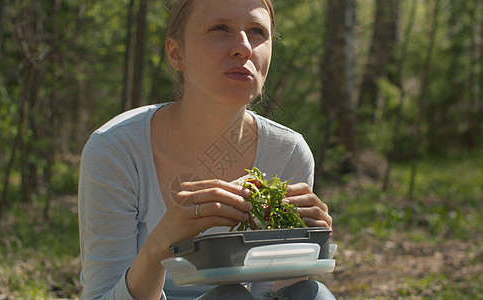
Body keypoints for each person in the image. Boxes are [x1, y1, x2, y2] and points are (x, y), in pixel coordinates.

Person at [77, 0, 335, 299]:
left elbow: (270, 293)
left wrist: (303, 244)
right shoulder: (117, 149)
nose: (243, 47)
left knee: (311, 294)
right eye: (219, 28)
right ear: (176, 53)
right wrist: (159, 247)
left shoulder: (288, 152)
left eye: (256, 31)